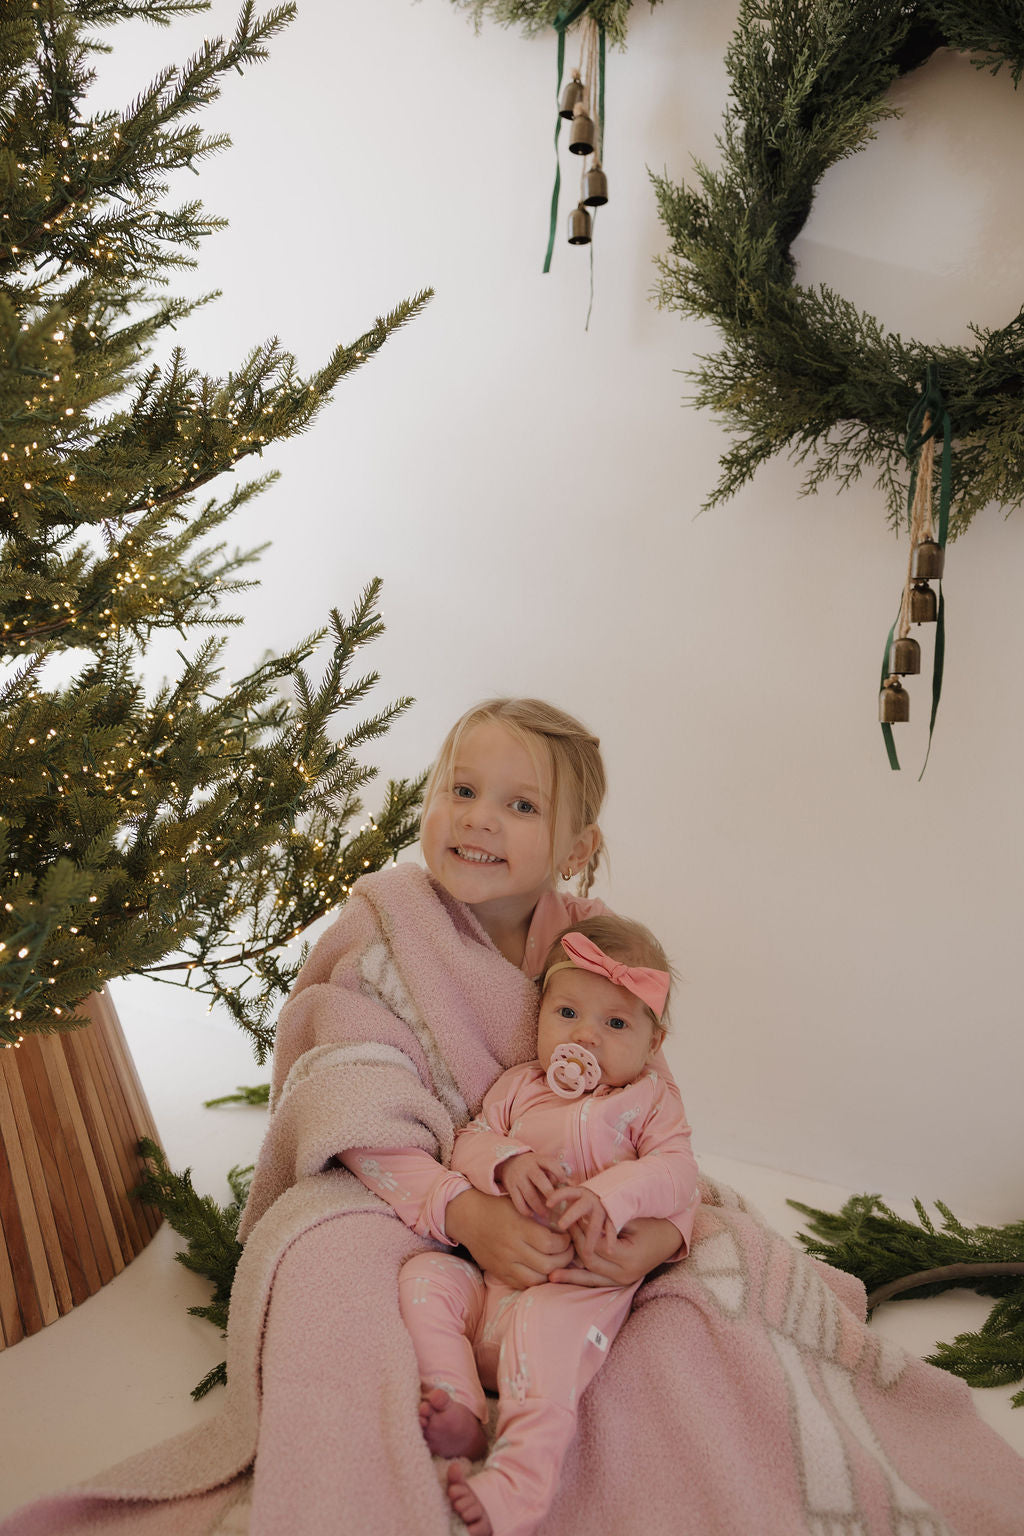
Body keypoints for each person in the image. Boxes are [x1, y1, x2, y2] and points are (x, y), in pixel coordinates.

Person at [6, 697, 1024, 1536]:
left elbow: (645, 1105)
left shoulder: (597, 947)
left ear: (577, 847)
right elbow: (349, 1095)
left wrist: (649, 1232)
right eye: (460, 791)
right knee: (332, 1288)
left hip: (563, 1194)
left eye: (518, 805)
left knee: (695, 1300)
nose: (478, 820)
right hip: (396, 1185)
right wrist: (463, 1212)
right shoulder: (382, 934)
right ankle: (391, 1459)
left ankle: (595, 1463)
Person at [393, 915, 699, 1536]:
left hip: (575, 1286)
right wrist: (506, 1164)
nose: (585, 1037)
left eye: (615, 1024)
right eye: (567, 1014)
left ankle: (521, 1486)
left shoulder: (649, 1103)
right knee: (425, 1276)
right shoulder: (518, 1088)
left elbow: (677, 1173)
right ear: (539, 1014)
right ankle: (458, 1402)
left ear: (652, 1041)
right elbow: (468, 1141)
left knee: (543, 1329)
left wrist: (610, 1200)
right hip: (493, 1282)